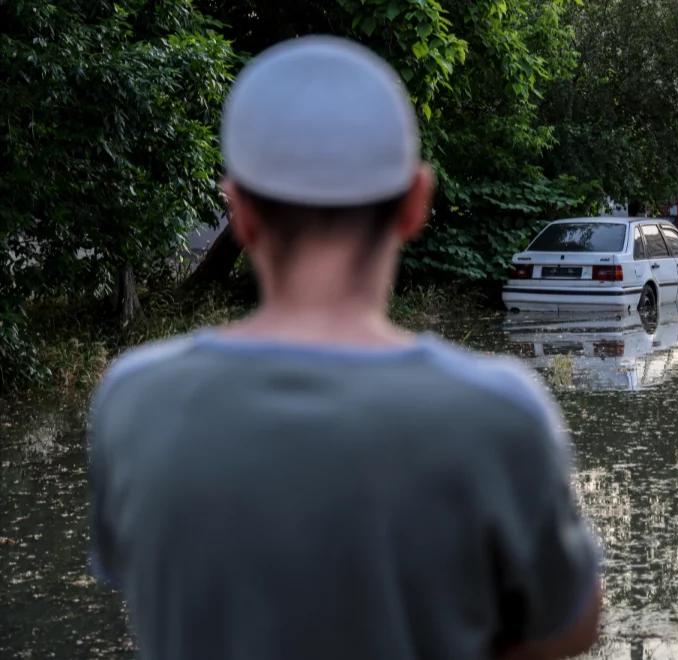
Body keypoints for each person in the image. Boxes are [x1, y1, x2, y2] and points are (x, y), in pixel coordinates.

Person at [87, 36, 601, 660]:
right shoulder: (498, 412)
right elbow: (569, 627)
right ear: (415, 204)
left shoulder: (134, 400)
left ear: (240, 213)